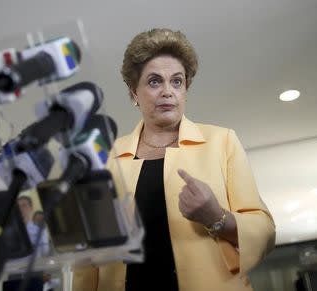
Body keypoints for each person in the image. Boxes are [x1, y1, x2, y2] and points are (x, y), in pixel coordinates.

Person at [72, 28, 276, 291]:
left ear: (185, 89)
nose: (168, 91)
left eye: (177, 81)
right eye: (154, 81)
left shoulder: (222, 142)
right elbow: (86, 261)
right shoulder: (105, 160)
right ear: (134, 92)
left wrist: (217, 217)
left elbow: (265, 231)